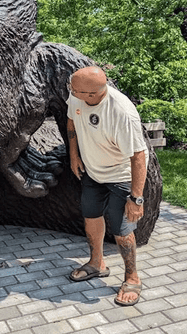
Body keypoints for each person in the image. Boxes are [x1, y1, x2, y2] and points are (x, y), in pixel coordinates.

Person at [66, 66, 148, 307]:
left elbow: (139, 156)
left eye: (76, 90)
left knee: (122, 230)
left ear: (92, 94)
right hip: (93, 173)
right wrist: (74, 154)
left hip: (121, 177)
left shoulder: (122, 112)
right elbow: (71, 119)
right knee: (91, 217)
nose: (71, 93)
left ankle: (132, 278)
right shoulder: (78, 95)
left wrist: (136, 198)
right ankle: (97, 264)